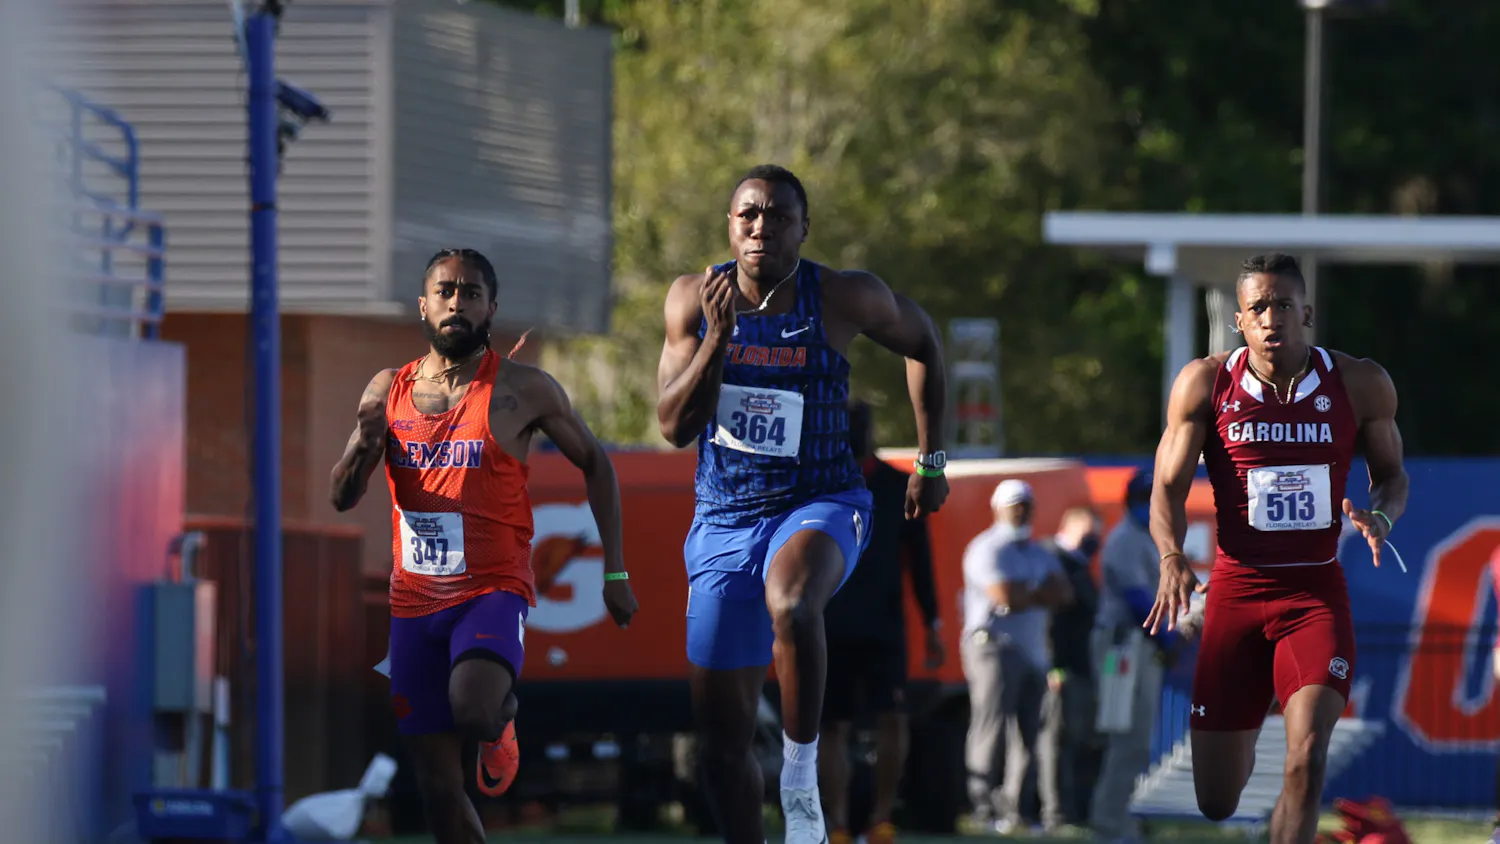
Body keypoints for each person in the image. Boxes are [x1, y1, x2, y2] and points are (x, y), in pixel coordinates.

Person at [655, 164, 949, 844]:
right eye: (748, 216)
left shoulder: (843, 297)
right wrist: (720, 341)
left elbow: (924, 341)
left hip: (822, 501)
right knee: (720, 742)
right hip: (726, 517)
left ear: (803, 227)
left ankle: (801, 776)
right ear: (730, 225)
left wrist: (931, 461)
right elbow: (672, 427)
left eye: (778, 216)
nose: (761, 228)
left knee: (792, 603)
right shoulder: (692, 300)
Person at [329, 248, 639, 844]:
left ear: (492, 306)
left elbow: (597, 466)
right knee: (439, 792)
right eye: (444, 291)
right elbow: (341, 495)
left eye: (471, 292)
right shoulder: (385, 390)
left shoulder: (523, 388)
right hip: (414, 602)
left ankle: (501, 726)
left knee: (474, 706)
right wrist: (363, 448)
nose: (456, 302)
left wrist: (617, 575)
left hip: (491, 590)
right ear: (423, 305)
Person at [1147, 253, 1408, 844]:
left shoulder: (1359, 382)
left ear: (1306, 313)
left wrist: (1381, 518)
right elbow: (1165, 489)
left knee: (1306, 757)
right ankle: (1262, 695)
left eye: (1283, 305)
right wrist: (1170, 557)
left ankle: (1291, 697)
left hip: (1313, 595)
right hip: (1236, 595)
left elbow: (1393, 477)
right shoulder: (1205, 383)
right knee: (1216, 801)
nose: (1272, 319)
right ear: (1239, 320)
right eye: (1258, 307)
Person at [819, 399, 945, 844]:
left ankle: (880, 820)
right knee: (830, 725)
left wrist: (932, 622)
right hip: (827, 623)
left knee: (892, 717)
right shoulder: (818, 484)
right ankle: (835, 823)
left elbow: (921, 561)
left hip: (883, 626)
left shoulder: (897, 485)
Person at [959, 479, 1073, 834]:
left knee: (1029, 736)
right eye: (1014, 505)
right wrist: (1036, 593)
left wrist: (1028, 594)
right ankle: (980, 806)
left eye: (1025, 504)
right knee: (990, 726)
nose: (1020, 511)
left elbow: (1064, 594)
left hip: (1033, 652)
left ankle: (1013, 810)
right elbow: (1007, 594)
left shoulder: (1039, 551)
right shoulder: (986, 548)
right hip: (993, 647)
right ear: (998, 509)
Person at [1090, 471, 1198, 843]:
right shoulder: (1125, 539)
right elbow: (1139, 603)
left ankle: (1122, 820)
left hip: (1141, 646)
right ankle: (1109, 825)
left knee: (1136, 741)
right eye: (1146, 497)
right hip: (1121, 646)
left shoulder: (1152, 540)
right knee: (1125, 738)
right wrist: (1172, 638)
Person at [1038, 505, 1103, 831]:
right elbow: (1052, 622)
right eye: (1089, 533)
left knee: (1078, 742)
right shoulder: (1055, 561)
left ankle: (1076, 809)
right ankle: (1055, 812)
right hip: (1063, 670)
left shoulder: (1079, 566)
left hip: (1082, 667)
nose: (1095, 541)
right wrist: (1054, 666)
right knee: (1056, 742)